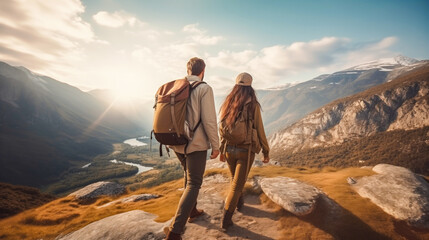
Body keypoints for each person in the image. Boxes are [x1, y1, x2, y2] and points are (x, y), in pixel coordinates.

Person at [164, 57, 220, 240]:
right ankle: (175, 231)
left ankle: (192, 210)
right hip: (195, 144)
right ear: (203, 70)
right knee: (194, 183)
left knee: (188, 177)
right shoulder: (204, 88)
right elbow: (210, 120)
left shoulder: (175, 87)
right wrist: (215, 146)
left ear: (188, 70)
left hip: (176, 141)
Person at [218, 72, 270, 230]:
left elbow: (222, 128)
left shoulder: (228, 102)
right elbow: (259, 129)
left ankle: (239, 204)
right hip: (245, 150)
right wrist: (266, 151)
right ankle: (226, 220)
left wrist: (221, 150)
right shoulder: (252, 104)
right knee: (236, 186)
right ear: (250, 86)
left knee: (235, 180)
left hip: (228, 149)